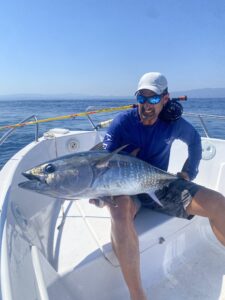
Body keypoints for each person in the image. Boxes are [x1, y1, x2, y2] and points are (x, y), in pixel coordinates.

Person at [90, 72, 225, 300]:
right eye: (141, 98)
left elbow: (194, 142)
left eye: (152, 99)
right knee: (119, 211)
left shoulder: (173, 125)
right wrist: (101, 191)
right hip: (126, 189)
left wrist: (188, 172)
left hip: (160, 185)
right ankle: (137, 295)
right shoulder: (122, 123)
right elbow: (103, 160)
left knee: (219, 203)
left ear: (165, 99)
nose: (146, 105)